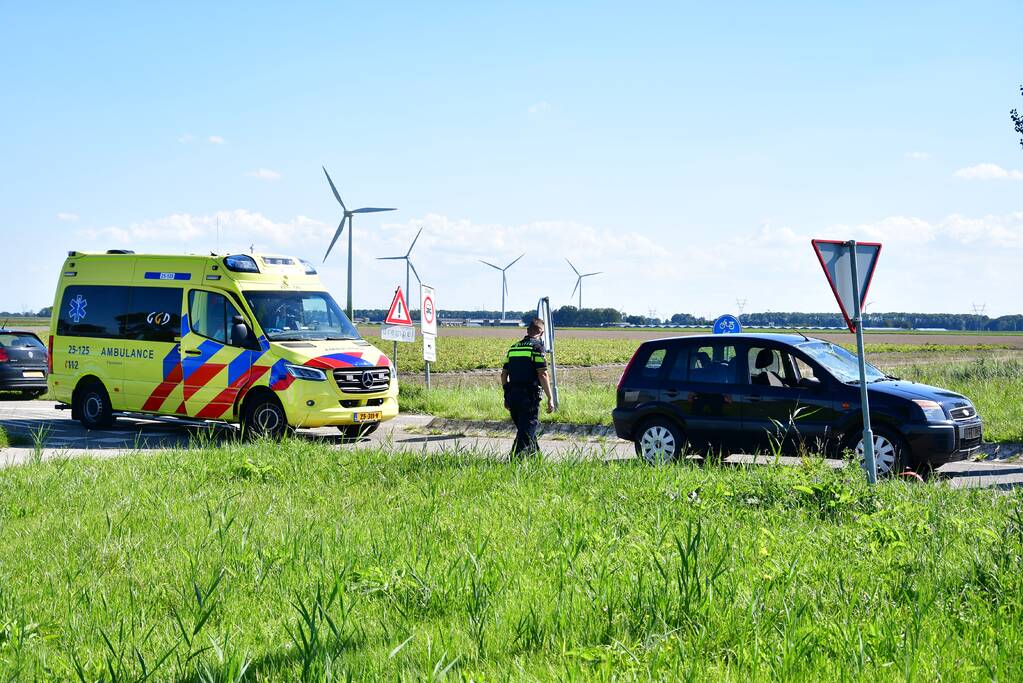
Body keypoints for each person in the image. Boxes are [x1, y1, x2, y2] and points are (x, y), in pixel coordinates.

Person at [501, 318, 555, 458]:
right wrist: (550, 398)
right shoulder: (537, 347)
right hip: (528, 397)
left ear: (527, 330)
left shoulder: (513, 348)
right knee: (526, 433)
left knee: (526, 430)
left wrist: (507, 395)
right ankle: (513, 461)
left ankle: (537, 459)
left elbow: (503, 375)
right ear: (541, 333)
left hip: (513, 396)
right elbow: (542, 374)